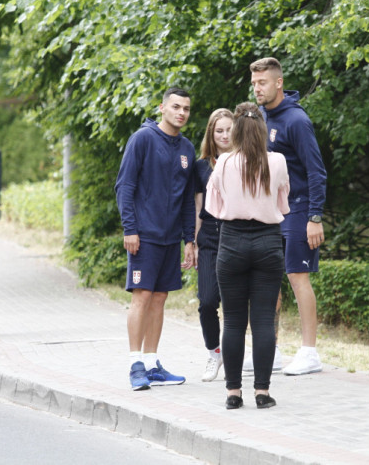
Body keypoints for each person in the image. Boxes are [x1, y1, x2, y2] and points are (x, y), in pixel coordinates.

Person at [206, 102, 290, 409]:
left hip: (232, 242)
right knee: (264, 320)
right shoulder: (277, 161)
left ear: (237, 131)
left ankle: (233, 393)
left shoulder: (224, 162)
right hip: (268, 242)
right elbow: (283, 204)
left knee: (233, 321)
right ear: (263, 130)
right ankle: (262, 393)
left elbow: (213, 207)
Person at [115, 87, 196, 391]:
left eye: (186, 108)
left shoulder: (187, 148)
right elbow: (125, 186)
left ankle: (152, 364)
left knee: (160, 298)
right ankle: (135, 365)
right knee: (142, 296)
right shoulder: (143, 139)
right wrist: (130, 228)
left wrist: (189, 239)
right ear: (162, 108)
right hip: (144, 235)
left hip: (170, 238)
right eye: (176, 107)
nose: (181, 113)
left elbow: (187, 199)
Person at [250, 57, 327, 376]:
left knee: (298, 276)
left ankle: (309, 353)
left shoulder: (297, 120)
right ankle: (272, 350)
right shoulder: (260, 117)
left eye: (263, 83)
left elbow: (316, 171)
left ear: (278, 83)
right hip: (271, 211)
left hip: (298, 209)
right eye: (254, 83)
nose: (257, 89)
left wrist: (315, 216)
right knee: (268, 279)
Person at [194, 108, 233, 382]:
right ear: (211, 133)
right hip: (208, 239)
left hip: (234, 237)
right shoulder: (200, 167)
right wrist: (193, 243)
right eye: (219, 130)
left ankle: (233, 355)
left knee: (234, 303)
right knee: (207, 301)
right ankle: (214, 352)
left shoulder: (244, 161)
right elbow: (198, 207)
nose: (224, 135)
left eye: (229, 130)